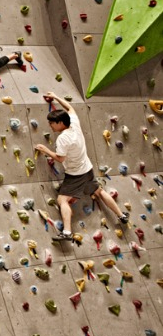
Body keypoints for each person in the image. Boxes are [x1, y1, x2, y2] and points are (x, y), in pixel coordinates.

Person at [34, 92, 129, 241]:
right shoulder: (74, 123)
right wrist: (56, 97)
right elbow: (70, 108)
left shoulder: (63, 139)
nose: (50, 126)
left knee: (62, 200)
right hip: (87, 167)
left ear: (59, 123)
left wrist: (45, 150)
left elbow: (60, 158)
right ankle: (121, 215)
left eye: (52, 123)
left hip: (75, 174)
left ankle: (66, 232)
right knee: (98, 191)